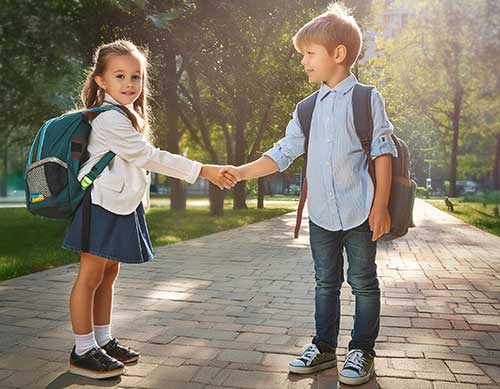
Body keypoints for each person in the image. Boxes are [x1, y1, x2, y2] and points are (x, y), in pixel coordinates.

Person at [221, 3, 397, 385]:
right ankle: (323, 347)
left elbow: (384, 153)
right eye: (302, 54)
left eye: (309, 53)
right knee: (325, 283)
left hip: (360, 212)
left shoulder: (366, 99)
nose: (303, 61)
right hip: (321, 215)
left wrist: (380, 206)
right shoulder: (306, 108)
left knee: (364, 282)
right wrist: (242, 172)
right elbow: (283, 152)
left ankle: (362, 351)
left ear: (339, 54)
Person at [62, 39, 236, 379]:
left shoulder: (125, 116)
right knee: (91, 276)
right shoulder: (109, 119)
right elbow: (147, 157)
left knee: (109, 274)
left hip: (117, 204)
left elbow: (139, 159)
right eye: (120, 76)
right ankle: (82, 349)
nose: (130, 84)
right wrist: (203, 170)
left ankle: (102, 339)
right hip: (99, 206)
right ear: (101, 81)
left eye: (136, 77)